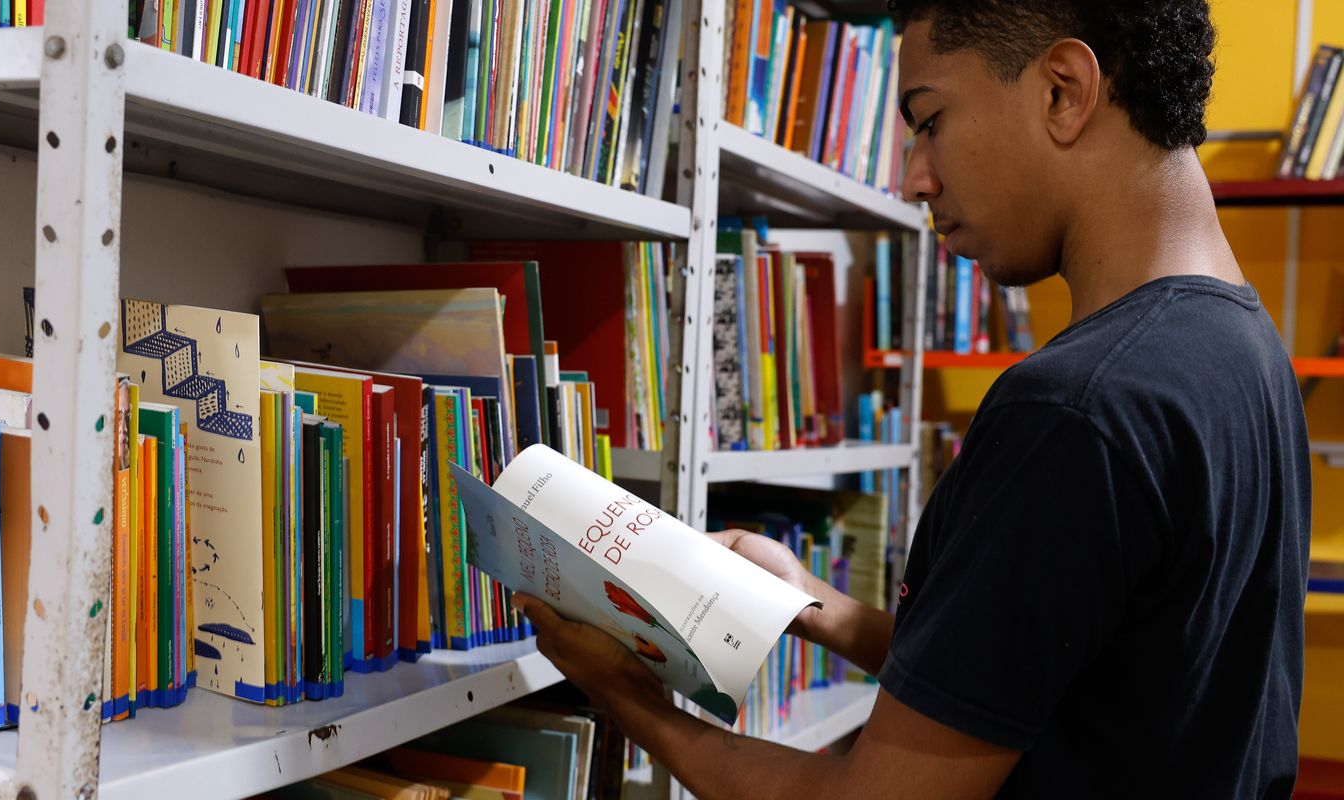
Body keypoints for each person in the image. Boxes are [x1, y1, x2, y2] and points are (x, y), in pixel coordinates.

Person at [515, 1, 1311, 797]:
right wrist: (811, 605)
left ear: (1063, 92)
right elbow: (1064, 681)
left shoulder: (1075, 413)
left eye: (930, 121)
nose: (914, 178)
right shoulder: (1246, 348)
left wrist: (626, 695)